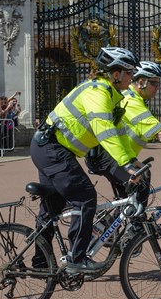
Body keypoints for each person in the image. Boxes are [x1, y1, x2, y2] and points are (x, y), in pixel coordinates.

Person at [30, 46, 142, 273]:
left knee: (53, 206)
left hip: (50, 148)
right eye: (129, 72)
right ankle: (76, 258)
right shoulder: (97, 92)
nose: (132, 77)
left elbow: (117, 133)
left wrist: (131, 159)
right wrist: (126, 165)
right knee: (85, 197)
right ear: (116, 73)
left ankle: (40, 262)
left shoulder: (110, 95)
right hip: (52, 149)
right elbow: (104, 131)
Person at [85, 61, 161, 205]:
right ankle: (138, 225)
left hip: (115, 156)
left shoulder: (137, 99)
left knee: (129, 200)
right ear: (142, 82)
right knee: (142, 177)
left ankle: (125, 221)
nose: (158, 88)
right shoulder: (130, 100)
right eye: (154, 84)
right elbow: (158, 131)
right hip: (105, 156)